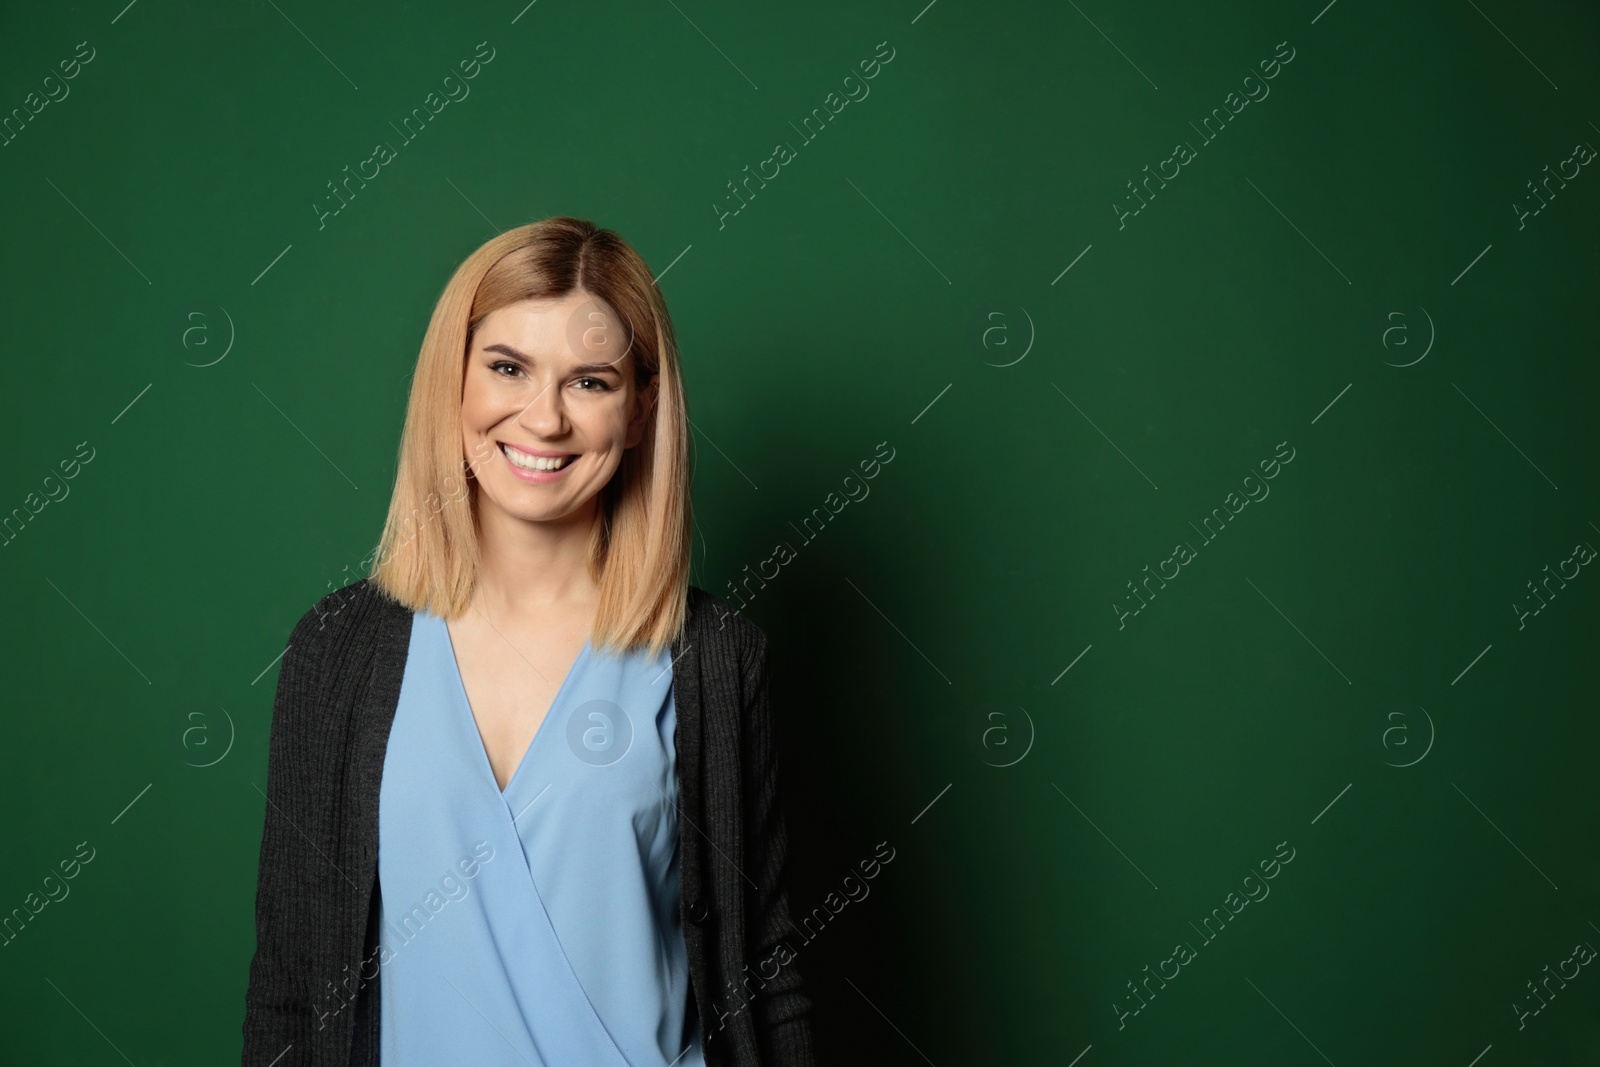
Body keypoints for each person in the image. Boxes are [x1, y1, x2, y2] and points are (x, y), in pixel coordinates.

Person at [241, 217, 816, 1066]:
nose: (543, 418)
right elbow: (291, 980)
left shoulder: (714, 658)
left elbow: (766, 973)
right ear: (455, 381)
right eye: (508, 368)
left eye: (589, 381)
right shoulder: (337, 651)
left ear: (641, 406)